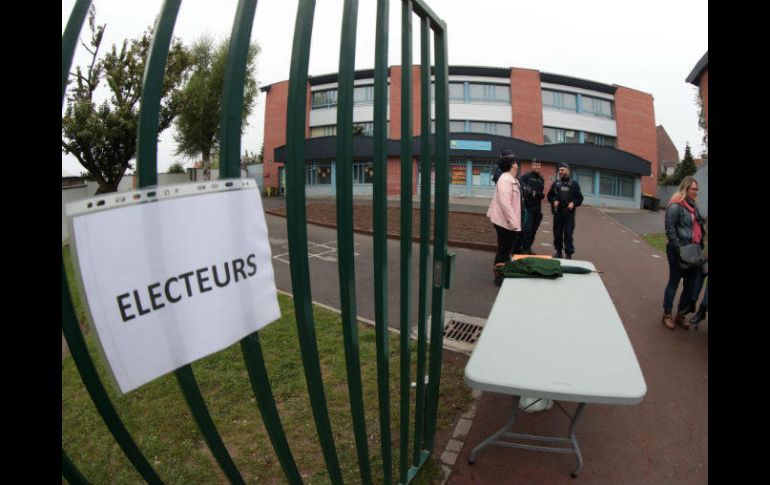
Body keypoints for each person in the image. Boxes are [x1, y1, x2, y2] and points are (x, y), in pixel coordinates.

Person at [661, 176, 706, 331]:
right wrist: (677, 248)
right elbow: (670, 229)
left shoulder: (694, 206)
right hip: (678, 251)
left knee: (690, 285)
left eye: (697, 190)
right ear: (686, 189)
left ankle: (680, 314)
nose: (696, 192)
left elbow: (698, 226)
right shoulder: (675, 206)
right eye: (694, 189)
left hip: (693, 252)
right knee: (674, 282)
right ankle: (666, 314)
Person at [487, 150, 521, 286]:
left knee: (505, 249)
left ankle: (503, 272)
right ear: (513, 165)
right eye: (515, 162)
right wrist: (514, 223)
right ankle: (499, 277)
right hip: (505, 223)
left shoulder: (512, 180)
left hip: (509, 222)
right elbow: (505, 203)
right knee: (503, 250)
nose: (517, 164)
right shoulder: (505, 180)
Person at [547, 162, 583, 259]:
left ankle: (569, 254)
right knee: (557, 233)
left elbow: (580, 198)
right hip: (558, 213)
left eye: (562, 170)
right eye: (559, 170)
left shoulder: (574, 184)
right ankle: (558, 252)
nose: (560, 172)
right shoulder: (556, 183)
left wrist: (573, 203)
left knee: (568, 234)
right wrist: (554, 200)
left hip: (569, 214)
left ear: (568, 170)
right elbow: (549, 196)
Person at [516, 158, 545, 254]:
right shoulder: (525, 177)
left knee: (533, 230)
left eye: (539, 165)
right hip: (527, 208)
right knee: (526, 230)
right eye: (535, 165)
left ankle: (528, 248)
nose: (537, 167)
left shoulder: (541, 179)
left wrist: (534, 193)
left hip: (537, 208)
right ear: (532, 166)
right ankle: (520, 248)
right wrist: (533, 193)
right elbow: (522, 189)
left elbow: (541, 195)